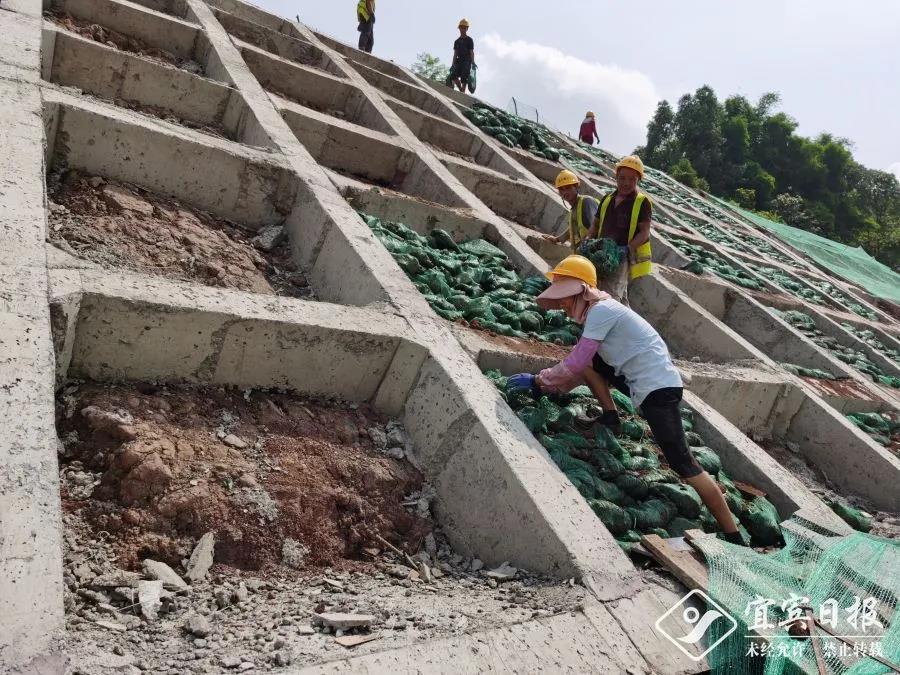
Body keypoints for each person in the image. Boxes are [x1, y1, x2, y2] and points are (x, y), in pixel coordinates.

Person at [507, 255, 745, 545]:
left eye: (566, 299)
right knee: (593, 365)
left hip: (658, 390)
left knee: (683, 462)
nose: (564, 307)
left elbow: (575, 360)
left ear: (583, 291)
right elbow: (583, 364)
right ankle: (610, 416)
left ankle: (732, 534)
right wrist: (550, 387)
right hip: (644, 381)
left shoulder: (601, 312)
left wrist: (539, 380)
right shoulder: (603, 309)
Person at [592, 154, 653, 305]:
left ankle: (609, 324)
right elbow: (595, 225)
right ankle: (628, 326)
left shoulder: (642, 202)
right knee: (615, 295)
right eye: (622, 178)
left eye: (632, 179)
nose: (626, 183)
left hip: (620, 257)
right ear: (616, 176)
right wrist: (588, 240)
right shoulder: (607, 199)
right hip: (601, 254)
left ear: (638, 180)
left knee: (610, 296)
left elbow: (644, 232)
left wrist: (627, 249)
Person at [544, 170, 599, 252]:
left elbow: (595, 227)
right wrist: (557, 239)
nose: (565, 192)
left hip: (594, 252)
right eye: (561, 189)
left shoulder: (587, 202)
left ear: (576, 187)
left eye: (568, 187)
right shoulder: (574, 209)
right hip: (583, 254)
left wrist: (585, 245)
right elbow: (572, 229)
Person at [449, 19, 475, 93]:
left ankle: (463, 91)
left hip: (467, 60)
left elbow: (471, 52)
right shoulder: (456, 41)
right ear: (459, 28)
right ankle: (461, 89)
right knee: (453, 75)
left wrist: (473, 62)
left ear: (467, 29)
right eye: (461, 27)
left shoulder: (469, 40)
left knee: (464, 76)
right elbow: (455, 54)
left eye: (464, 27)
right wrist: (452, 64)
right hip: (459, 60)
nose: (462, 29)